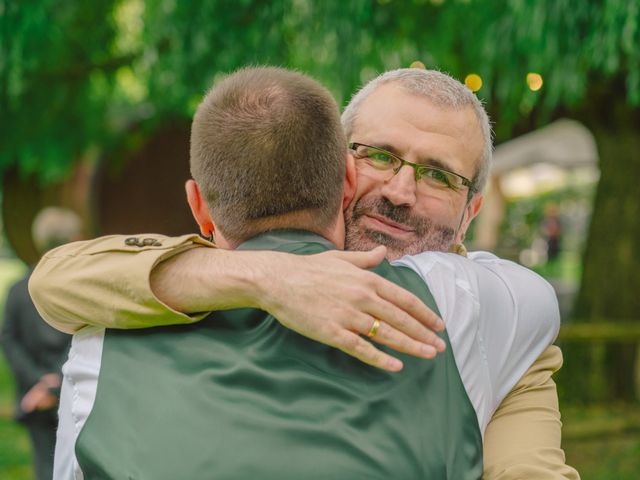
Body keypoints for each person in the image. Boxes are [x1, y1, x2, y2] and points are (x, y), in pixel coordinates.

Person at [30, 68, 578, 478]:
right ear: (339, 166)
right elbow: (58, 280)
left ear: (470, 214)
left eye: (438, 175)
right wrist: (271, 278)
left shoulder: (495, 326)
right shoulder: (200, 267)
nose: (399, 193)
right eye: (380, 156)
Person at [1, 207, 82, 480]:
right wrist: (55, 380)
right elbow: (81, 337)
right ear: (72, 239)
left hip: (34, 394)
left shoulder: (17, 288)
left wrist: (37, 381)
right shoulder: (78, 290)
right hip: (71, 390)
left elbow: (9, 340)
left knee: (45, 466)